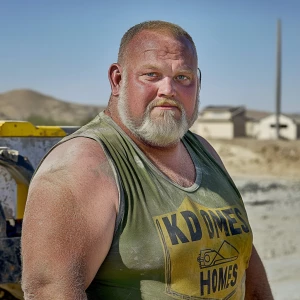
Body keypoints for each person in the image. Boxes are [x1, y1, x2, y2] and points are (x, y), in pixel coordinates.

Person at [21, 20, 273, 299]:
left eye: (183, 78)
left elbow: (243, 255)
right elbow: (51, 291)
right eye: (152, 75)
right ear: (118, 79)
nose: (168, 89)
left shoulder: (203, 150)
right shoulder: (83, 165)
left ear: (198, 83)